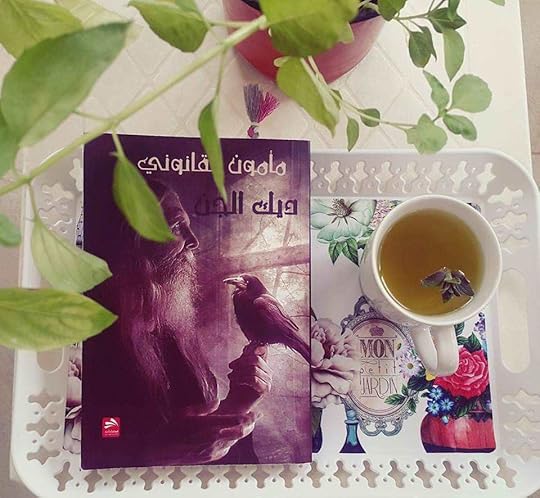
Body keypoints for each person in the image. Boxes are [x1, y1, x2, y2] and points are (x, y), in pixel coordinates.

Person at [83, 181, 273, 468]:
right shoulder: (92, 336)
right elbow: (98, 438)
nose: (194, 241)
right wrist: (152, 452)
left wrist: (239, 401)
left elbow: (196, 438)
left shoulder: (172, 325)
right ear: (132, 243)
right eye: (176, 226)